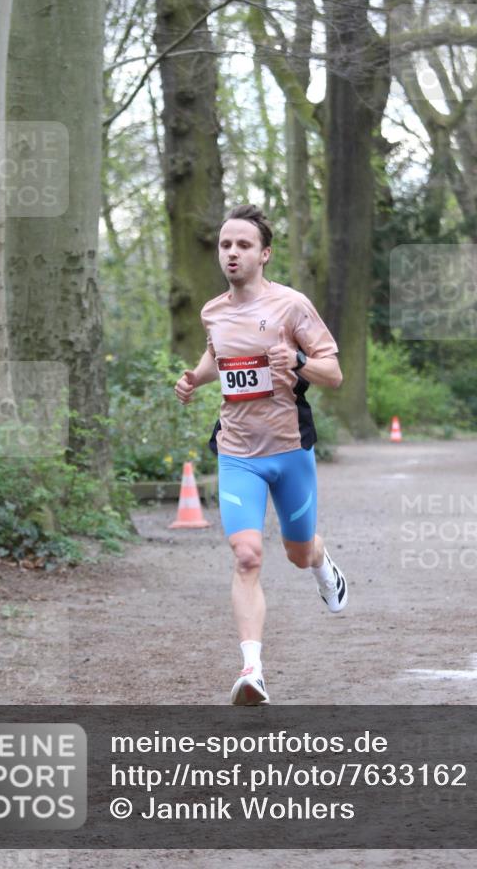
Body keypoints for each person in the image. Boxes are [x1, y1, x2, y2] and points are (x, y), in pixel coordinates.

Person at [174, 204, 347, 706]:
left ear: (264, 254)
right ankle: (253, 670)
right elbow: (218, 353)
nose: (232, 252)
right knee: (247, 555)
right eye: (225, 244)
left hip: (290, 448)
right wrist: (194, 378)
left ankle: (320, 561)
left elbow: (332, 374)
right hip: (237, 450)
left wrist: (295, 360)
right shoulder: (213, 310)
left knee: (298, 554)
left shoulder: (292, 306)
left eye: (243, 245)